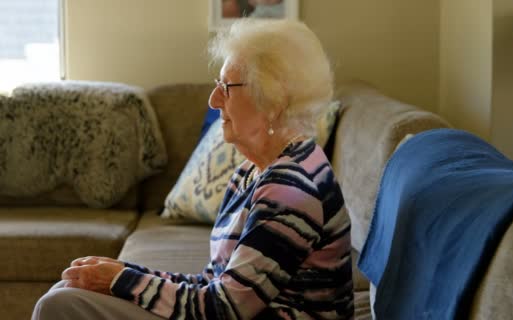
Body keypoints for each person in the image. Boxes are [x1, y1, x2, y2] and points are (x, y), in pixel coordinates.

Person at [32, 19, 354, 320]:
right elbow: (212, 283)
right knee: (71, 289)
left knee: (59, 305)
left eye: (227, 87)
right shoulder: (253, 171)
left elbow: (224, 308)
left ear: (274, 100)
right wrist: (124, 274)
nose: (214, 100)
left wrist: (122, 280)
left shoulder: (290, 190)